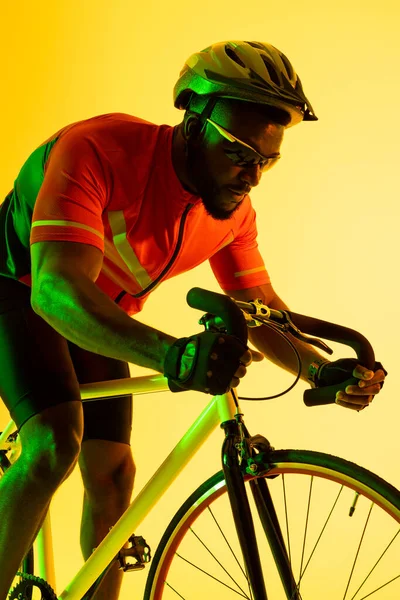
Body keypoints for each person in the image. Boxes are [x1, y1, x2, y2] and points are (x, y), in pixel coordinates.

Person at [0, 40, 386, 599]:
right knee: (54, 443)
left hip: (99, 304)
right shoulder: (98, 149)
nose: (251, 176)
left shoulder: (231, 211)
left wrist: (321, 371)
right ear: (192, 119)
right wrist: (171, 354)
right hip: (21, 285)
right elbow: (56, 290)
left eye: (266, 160)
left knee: (112, 477)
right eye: (238, 152)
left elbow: (260, 311)